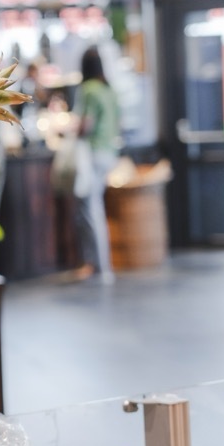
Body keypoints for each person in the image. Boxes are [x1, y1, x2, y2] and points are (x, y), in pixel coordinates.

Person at [73, 46, 121, 283]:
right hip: (109, 153)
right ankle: (99, 265)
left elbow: (85, 125)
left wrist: (70, 129)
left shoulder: (89, 89)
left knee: (90, 210)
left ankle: (100, 266)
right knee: (94, 207)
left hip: (92, 153)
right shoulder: (108, 89)